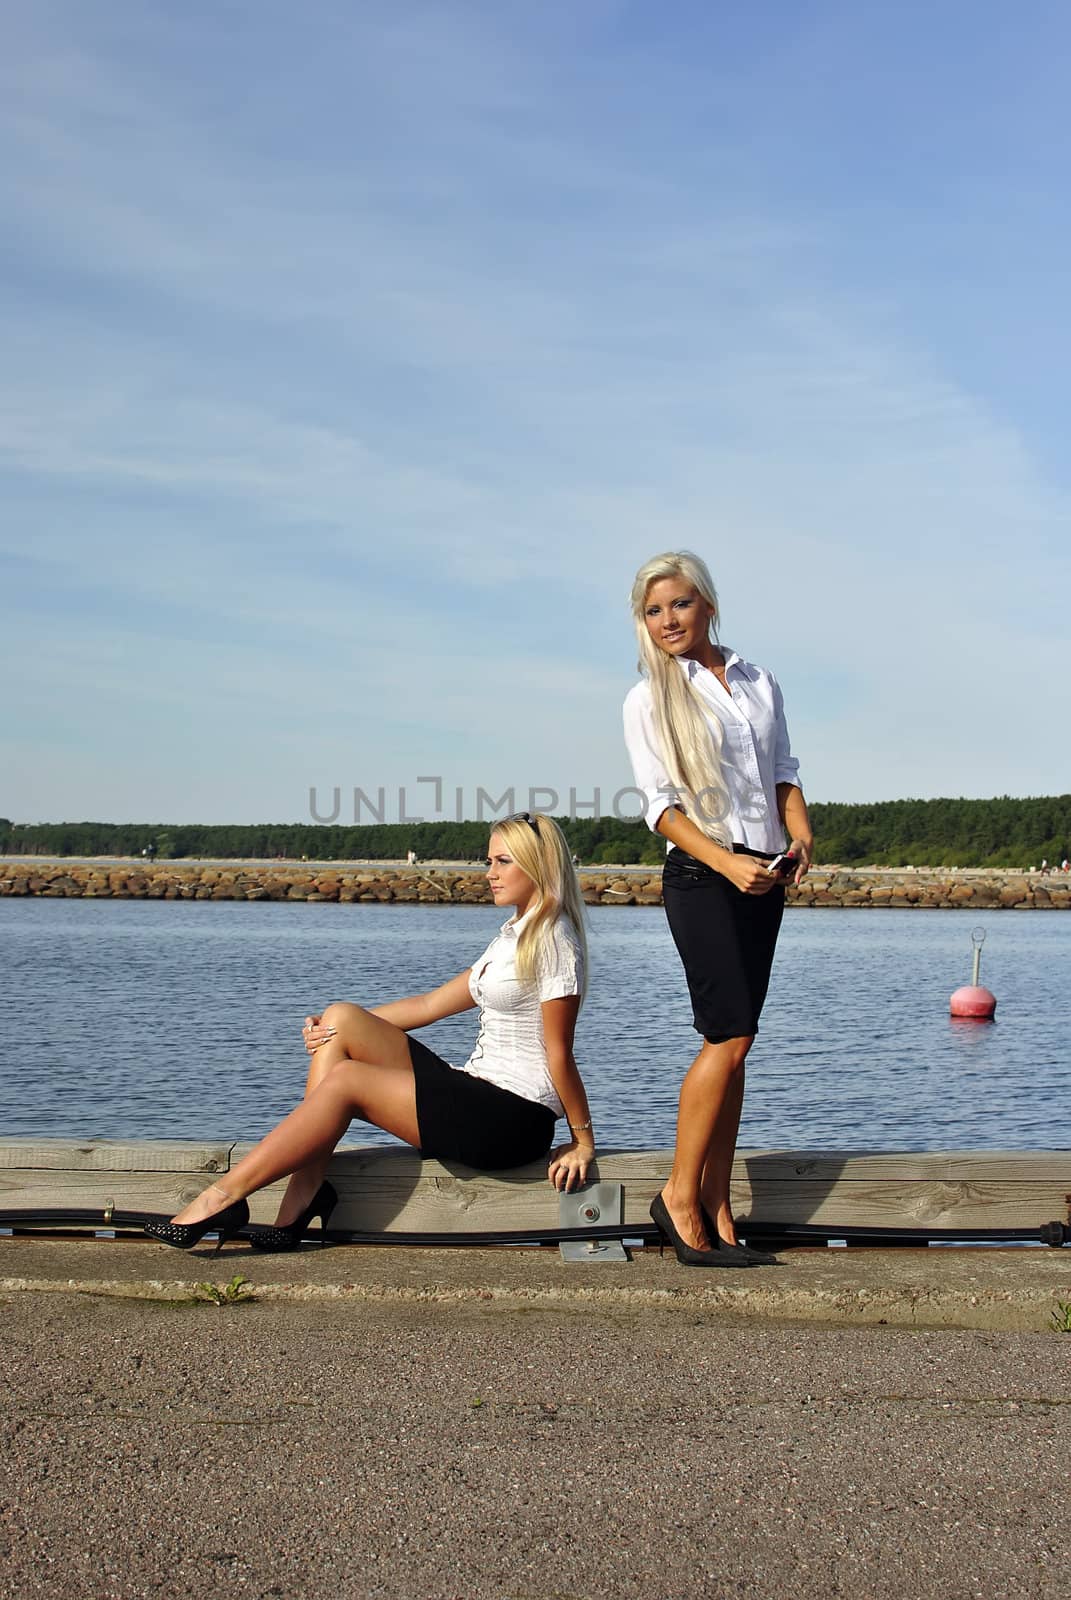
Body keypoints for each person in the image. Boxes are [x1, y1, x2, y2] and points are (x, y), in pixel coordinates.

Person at [144, 814, 595, 1253]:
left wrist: (581, 1139)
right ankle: (303, 1195)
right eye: (488, 862)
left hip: (512, 1118)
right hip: (478, 1092)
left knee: (346, 1081)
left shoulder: (554, 940)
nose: (489, 874)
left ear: (538, 865)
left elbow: (558, 1052)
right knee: (341, 1017)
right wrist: (327, 1029)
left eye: (503, 862)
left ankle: (221, 1198)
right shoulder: (512, 937)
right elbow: (428, 1006)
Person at [623, 551, 812, 1268]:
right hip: (703, 877)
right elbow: (659, 808)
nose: (666, 621)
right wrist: (727, 861)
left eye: (677, 604)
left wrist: (799, 836)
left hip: (765, 876)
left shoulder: (760, 681)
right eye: (652, 610)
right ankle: (678, 1196)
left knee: (739, 1049)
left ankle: (717, 1200)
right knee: (725, 1038)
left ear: (706, 604)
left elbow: (783, 773)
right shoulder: (646, 698)